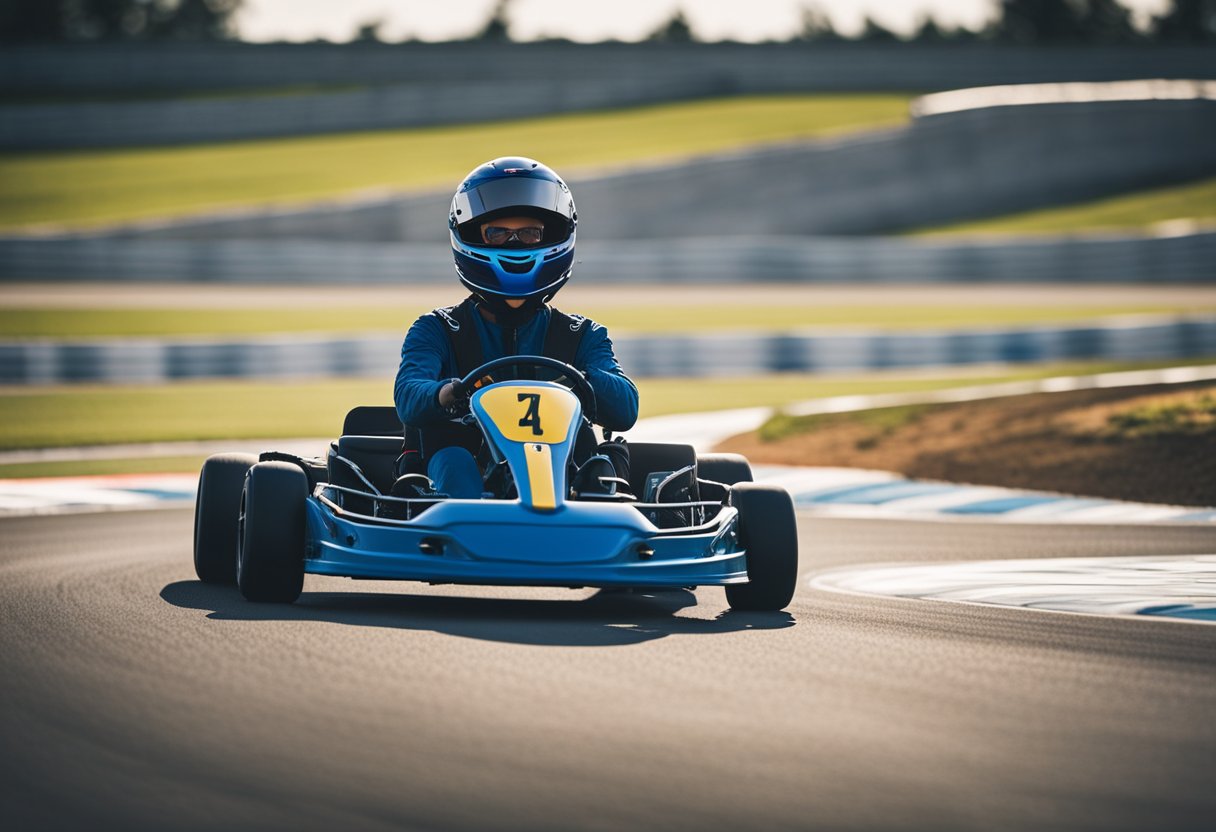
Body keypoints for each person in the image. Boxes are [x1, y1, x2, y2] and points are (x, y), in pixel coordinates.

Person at [393, 157, 638, 498]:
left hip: (560, 468)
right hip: (467, 467)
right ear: (471, 236)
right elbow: (408, 395)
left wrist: (581, 381)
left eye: (529, 233)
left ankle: (587, 515)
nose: (514, 246)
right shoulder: (438, 329)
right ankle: (464, 521)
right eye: (497, 233)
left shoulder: (581, 335)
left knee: (595, 461)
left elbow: (625, 409)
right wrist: (449, 393)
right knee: (454, 461)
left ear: (551, 236)